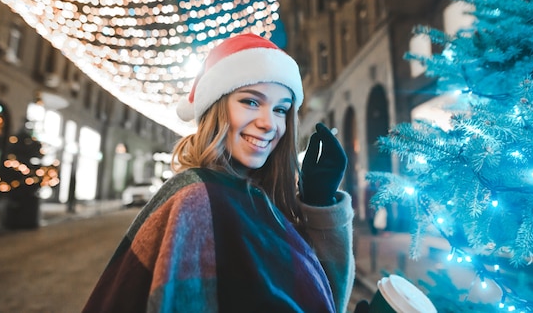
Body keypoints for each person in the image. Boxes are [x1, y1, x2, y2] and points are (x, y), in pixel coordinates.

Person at [82, 33, 355, 313]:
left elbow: (325, 300)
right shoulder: (198, 199)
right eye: (250, 102)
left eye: (280, 109)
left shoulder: (262, 202)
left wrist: (321, 207)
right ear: (216, 107)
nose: (268, 123)